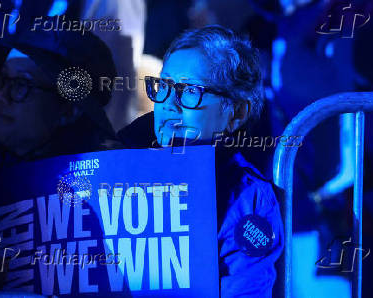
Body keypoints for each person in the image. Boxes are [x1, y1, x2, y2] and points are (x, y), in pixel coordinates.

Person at [119, 25, 284, 297]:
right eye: (164, 84)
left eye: (190, 90)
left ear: (236, 114)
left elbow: (245, 289)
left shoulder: (248, 200)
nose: (169, 104)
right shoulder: (111, 162)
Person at [0, 22, 120, 291]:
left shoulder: (108, 185)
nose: (1, 97)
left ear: (69, 110)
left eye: (22, 85)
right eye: (2, 80)